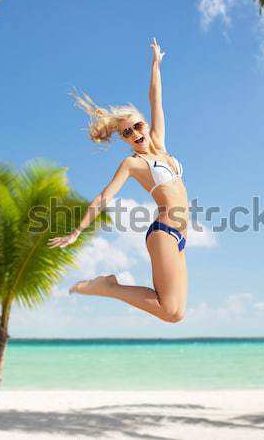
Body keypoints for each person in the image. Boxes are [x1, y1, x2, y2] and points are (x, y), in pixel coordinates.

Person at [48, 38, 188, 323]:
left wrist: (155, 64)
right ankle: (109, 288)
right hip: (163, 233)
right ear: (124, 139)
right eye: (126, 133)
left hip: (180, 237)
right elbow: (104, 196)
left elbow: (155, 98)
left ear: (144, 124)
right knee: (169, 312)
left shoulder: (160, 143)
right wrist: (77, 231)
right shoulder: (132, 163)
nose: (135, 133)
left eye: (137, 125)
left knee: (176, 312)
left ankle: (109, 287)